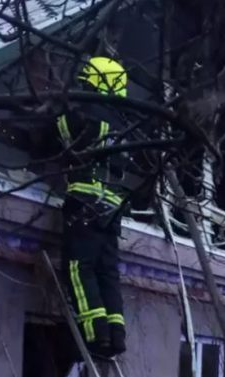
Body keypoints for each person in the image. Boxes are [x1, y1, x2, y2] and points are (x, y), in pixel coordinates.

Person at [54, 55, 133, 358]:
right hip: (112, 210)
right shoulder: (124, 123)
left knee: (78, 267)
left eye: (86, 81)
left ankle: (94, 335)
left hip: (86, 203)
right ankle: (116, 335)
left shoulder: (87, 113)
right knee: (107, 272)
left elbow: (58, 130)